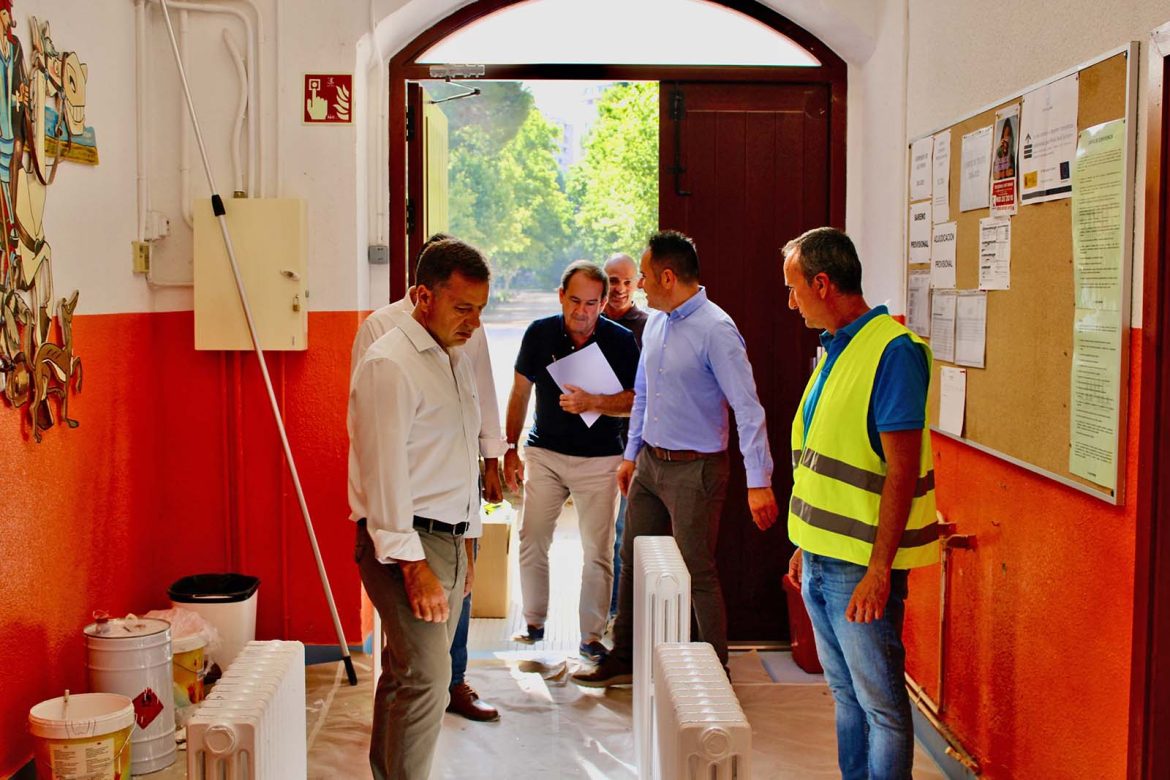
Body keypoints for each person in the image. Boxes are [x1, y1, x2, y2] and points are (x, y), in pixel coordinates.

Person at [573, 230, 779, 687]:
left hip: (697, 469)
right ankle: (624, 656)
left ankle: (715, 673)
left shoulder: (717, 330)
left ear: (668, 277)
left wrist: (759, 481)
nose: (640, 285)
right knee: (631, 556)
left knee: (695, 569)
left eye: (645, 277)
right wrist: (631, 456)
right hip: (650, 463)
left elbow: (748, 409)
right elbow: (644, 395)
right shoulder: (656, 324)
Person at [781, 227, 939, 780]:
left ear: (823, 284)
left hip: (860, 567)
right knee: (847, 698)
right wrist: (804, 545)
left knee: (882, 708)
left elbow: (901, 471)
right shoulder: (835, 349)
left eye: (794, 288)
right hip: (822, 560)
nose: (791, 302)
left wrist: (879, 571)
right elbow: (823, 461)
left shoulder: (893, 352)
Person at [348, 238, 491, 779]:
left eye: (480, 309)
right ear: (422, 297)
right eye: (463, 308)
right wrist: (414, 566)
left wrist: (468, 542)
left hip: (448, 540)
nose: (474, 322)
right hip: (405, 543)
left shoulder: (452, 356)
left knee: (406, 675)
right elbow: (382, 476)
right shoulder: (390, 363)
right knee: (429, 679)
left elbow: (458, 455)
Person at [503, 260, 640, 663]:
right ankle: (533, 622)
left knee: (598, 550)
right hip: (544, 452)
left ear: (603, 303)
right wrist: (509, 447)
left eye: (592, 304)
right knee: (532, 537)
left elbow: (637, 401)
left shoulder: (621, 340)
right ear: (561, 296)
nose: (582, 311)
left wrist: (593, 402)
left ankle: (591, 637)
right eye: (575, 301)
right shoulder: (539, 332)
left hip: (601, 458)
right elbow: (519, 392)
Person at [601, 252, 648, 620]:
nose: (619, 288)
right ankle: (599, 613)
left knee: (622, 534)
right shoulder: (588, 322)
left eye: (627, 282)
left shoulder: (648, 327)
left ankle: (618, 615)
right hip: (592, 444)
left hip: (633, 446)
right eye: (613, 281)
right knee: (597, 537)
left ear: (637, 285)